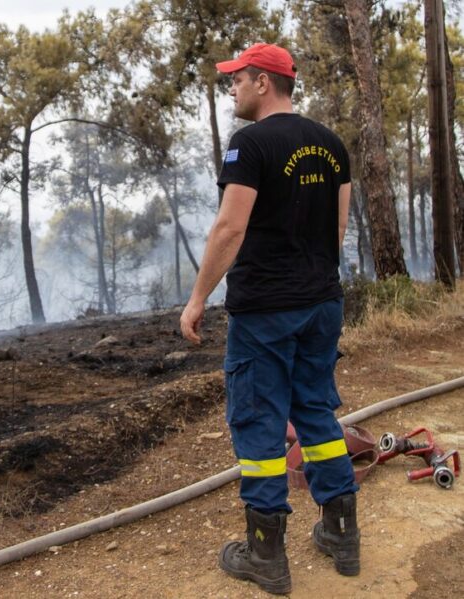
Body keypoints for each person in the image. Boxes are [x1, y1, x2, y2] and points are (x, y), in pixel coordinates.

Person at [178, 43, 359, 596]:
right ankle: (341, 533)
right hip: (322, 302)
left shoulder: (249, 143)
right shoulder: (331, 144)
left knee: (258, 420)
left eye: (236, 80)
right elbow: (338, 226)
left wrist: (196, 299)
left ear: (263, 83)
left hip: (266, 311)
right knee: (316, 412)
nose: (231, 89)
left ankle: (265, 556)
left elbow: (229, 229)